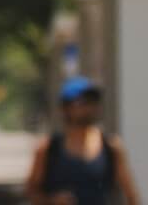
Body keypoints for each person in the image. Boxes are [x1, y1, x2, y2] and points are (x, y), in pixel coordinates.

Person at [25, 76, 140, 205]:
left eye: (94, 102)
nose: (90, 108)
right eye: (84, 102)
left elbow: (131, 194)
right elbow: (31, 191)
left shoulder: (111, 147)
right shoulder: (48, 149)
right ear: (66, 108)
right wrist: (51, 200)